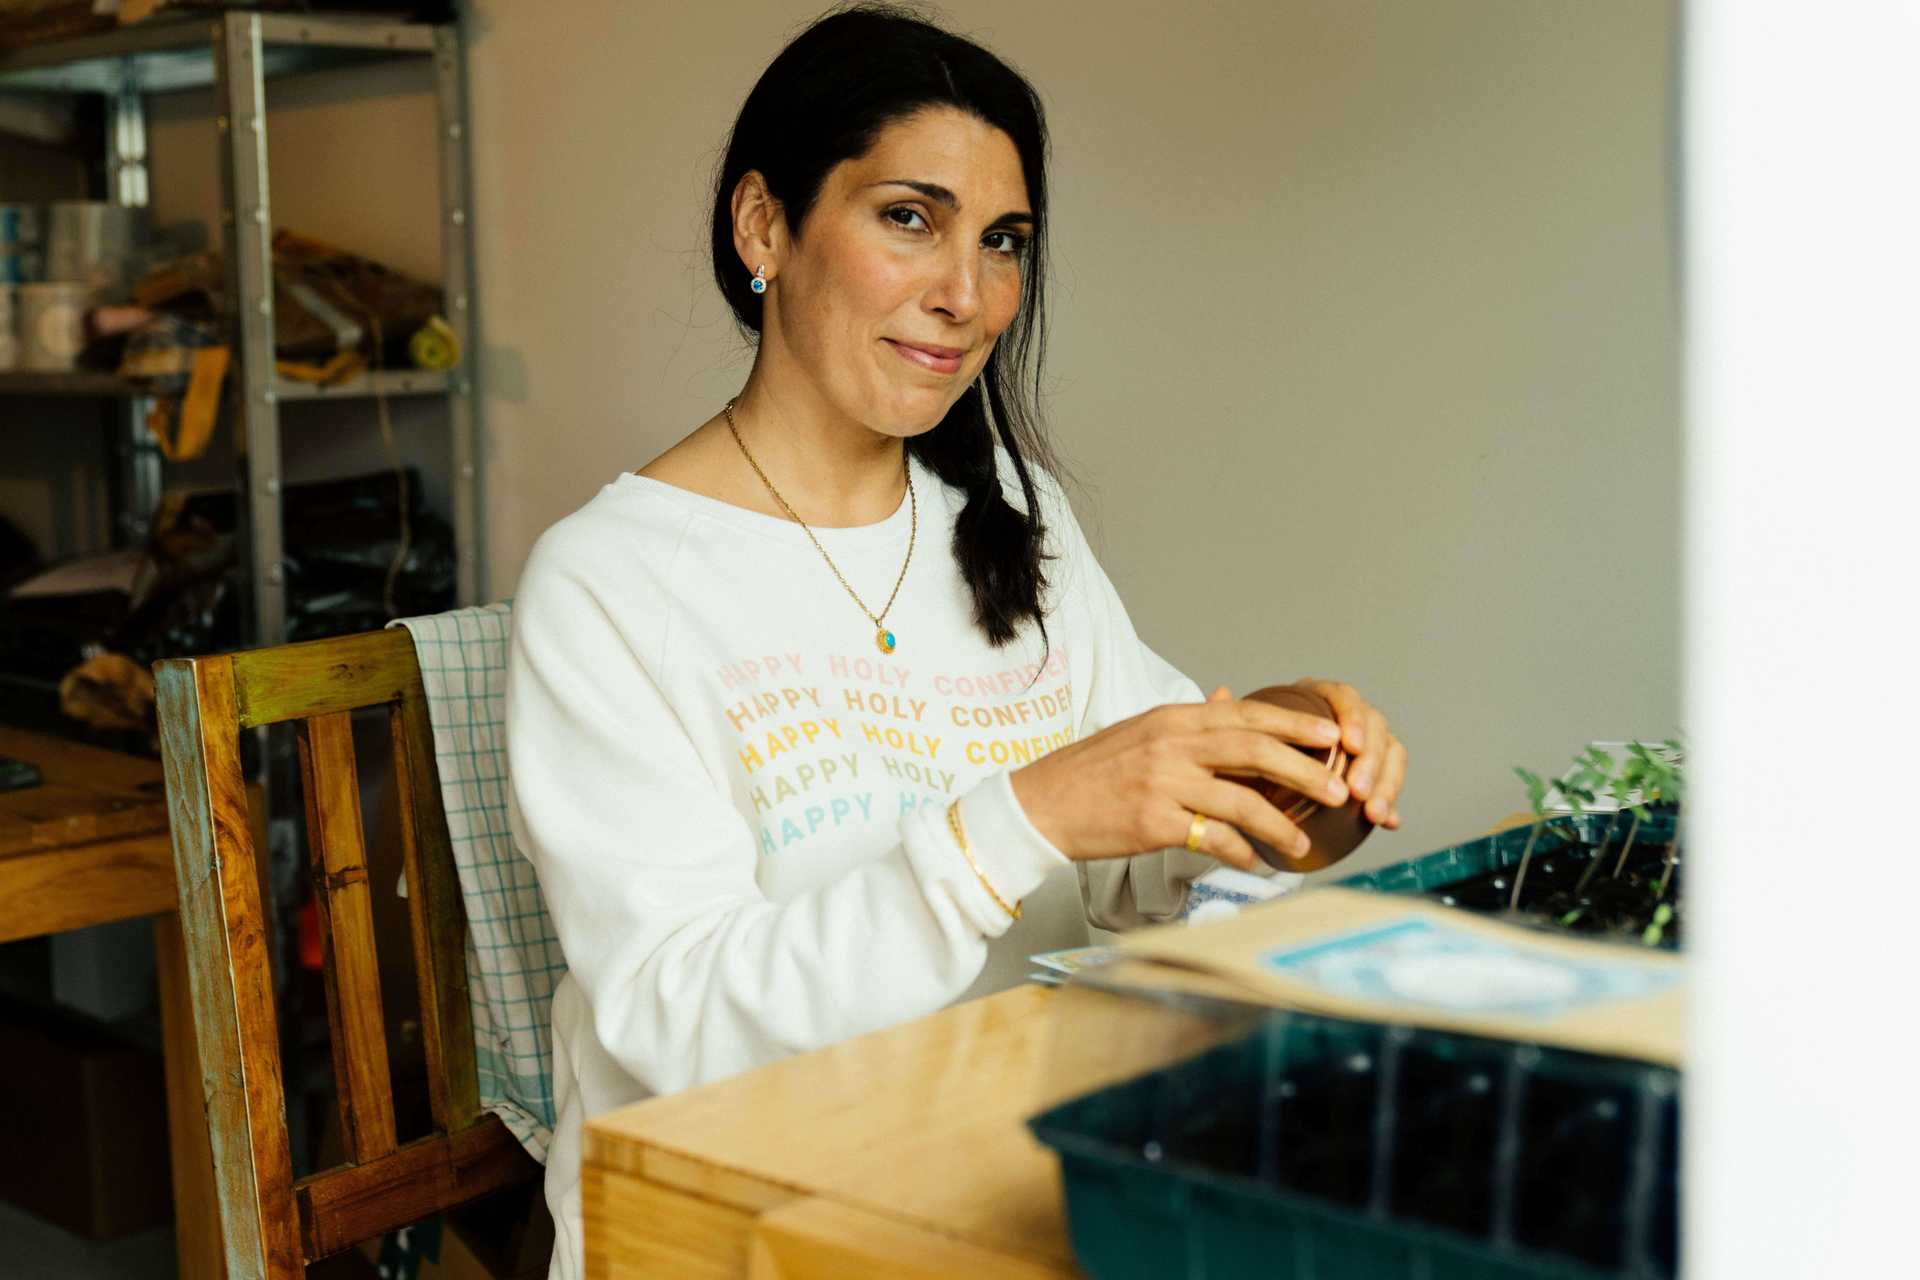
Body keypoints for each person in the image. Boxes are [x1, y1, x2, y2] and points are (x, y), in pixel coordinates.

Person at [505, 6, 1408, 1275]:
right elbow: (680, 1021)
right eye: (908, 219)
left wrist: (1288, 773)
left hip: (1009, 1175)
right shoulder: (609, 580)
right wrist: (1024, 812)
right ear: (765, 225)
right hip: (742, 1226)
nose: (966, 296)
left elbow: (1142, 856)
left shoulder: (1014, 513)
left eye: (1003, 242)